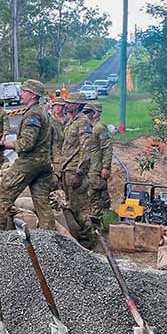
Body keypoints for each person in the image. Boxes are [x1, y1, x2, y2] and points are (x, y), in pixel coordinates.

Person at [0, 80, 55, 231]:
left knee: (2, 196)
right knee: (42, 203)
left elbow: (27, 143)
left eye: (24, 91)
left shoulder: (33, 114)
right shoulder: (41, 111)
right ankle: (49, 238)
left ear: (32, 95)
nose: (21, 94)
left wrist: (4, 145)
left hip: (29, 162)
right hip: (43, 162)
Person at [60, 92, 95, 248]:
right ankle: (79, 238)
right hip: (67, 169)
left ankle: (88, 239)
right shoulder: (71, 122)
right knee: (71, 206)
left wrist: (80, 173)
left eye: (70, 103)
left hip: (75, 171)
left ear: (78, 105)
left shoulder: (83, 123)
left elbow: (86, 148)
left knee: (79, 207)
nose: (66, 105)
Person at [86, 102, 112, 221]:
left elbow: (107, 147)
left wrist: (106, 167)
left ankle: (98, 220)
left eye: (89, 112)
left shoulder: (99, 127)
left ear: (96, 113)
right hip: (89, 166)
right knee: (97, 194)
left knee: (94, 194)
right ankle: (104, 217)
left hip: (96, 167)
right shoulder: (89, 126)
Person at [49, 97, 67, 182]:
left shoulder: (69, 121)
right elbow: (47, 143)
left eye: (60, 106)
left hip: (69, 158)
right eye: (55, 106)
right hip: (56, 159)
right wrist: (49, 160)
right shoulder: (49, 122)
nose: (57, 108)